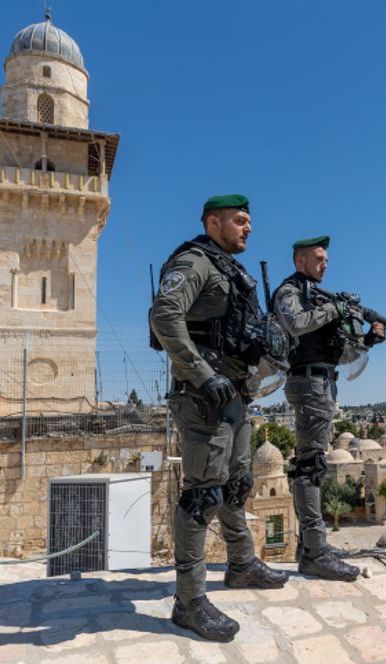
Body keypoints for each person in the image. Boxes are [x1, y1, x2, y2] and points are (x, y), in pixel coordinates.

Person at [149, 194, 288, 642]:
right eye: (240, 221)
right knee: (201, 496)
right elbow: (164, 315)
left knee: (237, 484)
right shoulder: (194, 262)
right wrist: (203, 374)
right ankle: (188, 601)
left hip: (236, 393)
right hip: (204, 395)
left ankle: (242, 564)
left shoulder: (228, 268)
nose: (248, 228)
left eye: (250, 221)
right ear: (214, 222)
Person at [272, 236, 385, 581]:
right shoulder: (290, 292)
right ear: (300, 261)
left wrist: (367, 340)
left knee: (314, 464)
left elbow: (336, 354)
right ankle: (315, 552)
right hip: (307, 384)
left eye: (326, 259)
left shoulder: (317, 298)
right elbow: (295, 323)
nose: (325, 264)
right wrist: (335, 308)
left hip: (322, 381)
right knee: (310, 466)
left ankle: (310, 546)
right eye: (318, 258)